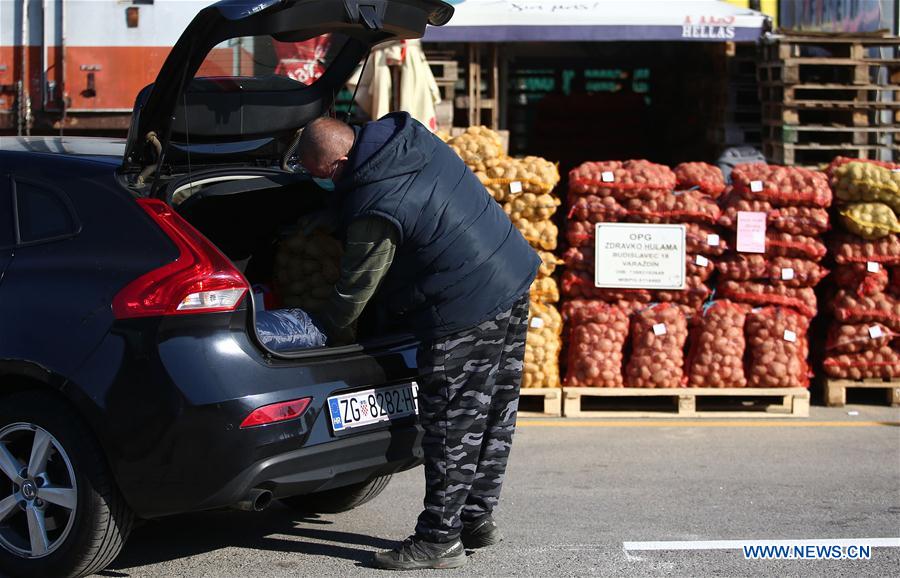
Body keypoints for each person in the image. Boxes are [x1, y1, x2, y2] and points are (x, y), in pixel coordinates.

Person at [297, 112, 540, 570]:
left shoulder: (376, 201)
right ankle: (475, 519)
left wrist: (329, 337)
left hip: (463, 303)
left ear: (338, 164)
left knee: (453, 422)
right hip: (510, 272)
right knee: (493, 412)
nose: (319, 182)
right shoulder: (405, 138)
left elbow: (355, 290)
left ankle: (439, 539)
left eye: (318, 175)